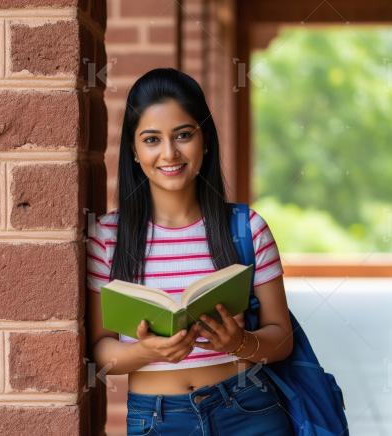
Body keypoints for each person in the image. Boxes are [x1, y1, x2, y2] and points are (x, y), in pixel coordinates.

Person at [86, 68, 296, 435]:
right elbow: (100, 351)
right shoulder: (108, 237)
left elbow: (282, 339)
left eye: (183, 135)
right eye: (151, 140)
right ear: (134, 151)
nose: (169, 153)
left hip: (248, 411)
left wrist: (241, 342)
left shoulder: (247, 228)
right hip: (158, 419)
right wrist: (148, 352)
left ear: (206, 140)